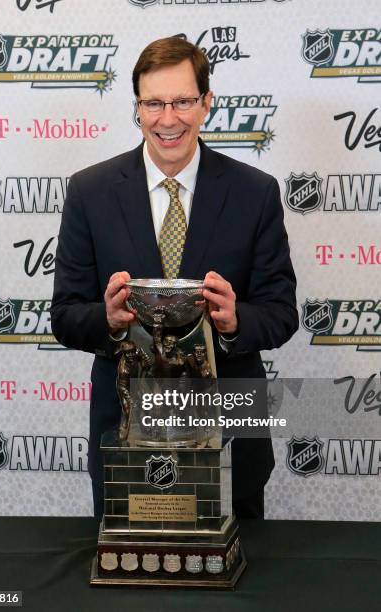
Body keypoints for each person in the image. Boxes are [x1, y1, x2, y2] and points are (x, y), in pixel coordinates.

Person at [51, 37, 298, 520]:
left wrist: (235, 321)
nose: (169, 118)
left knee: (238, 588)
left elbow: (282, 313)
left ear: (207, 103)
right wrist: (110, 320)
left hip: (229, 431)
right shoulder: (90, 193)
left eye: (183, 101)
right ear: (137, 108)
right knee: (132, 585)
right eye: (154, 103)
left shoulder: (255, 193)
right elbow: (64, 316)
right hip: (125, 435)